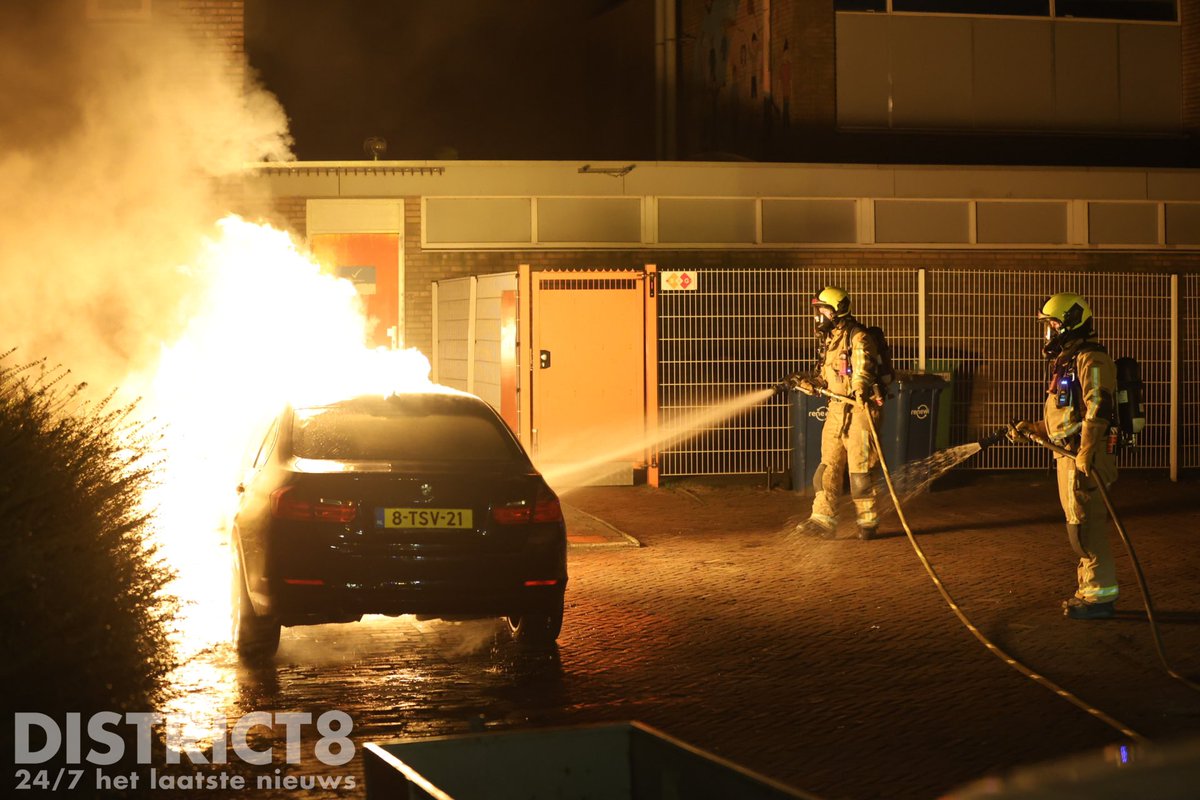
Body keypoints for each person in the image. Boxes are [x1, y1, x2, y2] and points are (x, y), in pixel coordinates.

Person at [1010, 292, 1119, 620]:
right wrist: (1036, 427)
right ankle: (1091, 590)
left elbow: (1098, 405)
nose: (1050, 331)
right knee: (1079, 526)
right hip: (1069, 455)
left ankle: (1100, 597)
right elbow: (1067, 416)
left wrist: (1086, 450)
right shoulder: (1068, 360)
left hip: (1084, 457)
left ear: (1072, 323)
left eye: (1054, 324)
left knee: (1086, 528)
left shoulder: (1091, 358)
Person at [785, 286, 885, 541]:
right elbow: (825, 379)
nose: (818, 316)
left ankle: (867, 520)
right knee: (827, 467)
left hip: (860, 411)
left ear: (837, 311)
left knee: (860, 469)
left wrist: (860, 388)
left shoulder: (858, 337)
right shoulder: (829, 341)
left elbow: (864, 369)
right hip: (836, 410)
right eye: (818, 311)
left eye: (823, 310)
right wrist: (806, 383)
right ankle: (823, 519)